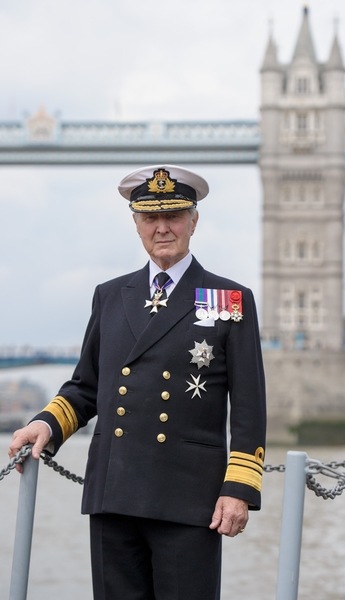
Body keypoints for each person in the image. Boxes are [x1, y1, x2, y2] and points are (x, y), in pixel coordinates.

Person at [9, 165, 267, 600]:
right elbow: (86, 387)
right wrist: (47, 426)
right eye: (150, 218)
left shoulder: (228, 300)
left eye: (174, 216)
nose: (162, 228)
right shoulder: (110, 295)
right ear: (136, 224)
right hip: (114, 493)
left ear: (194, 221)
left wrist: (239, 489)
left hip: (189, 499)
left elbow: (249, 405)